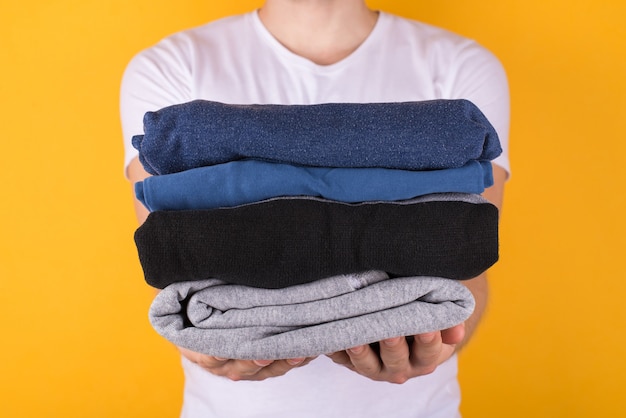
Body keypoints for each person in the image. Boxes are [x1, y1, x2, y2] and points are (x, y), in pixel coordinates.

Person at [120, 0, 510, 416]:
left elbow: (468, 264)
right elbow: (176, 267)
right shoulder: (170, 66)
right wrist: (208, 344)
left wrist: (440, 343)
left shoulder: (461, 66)